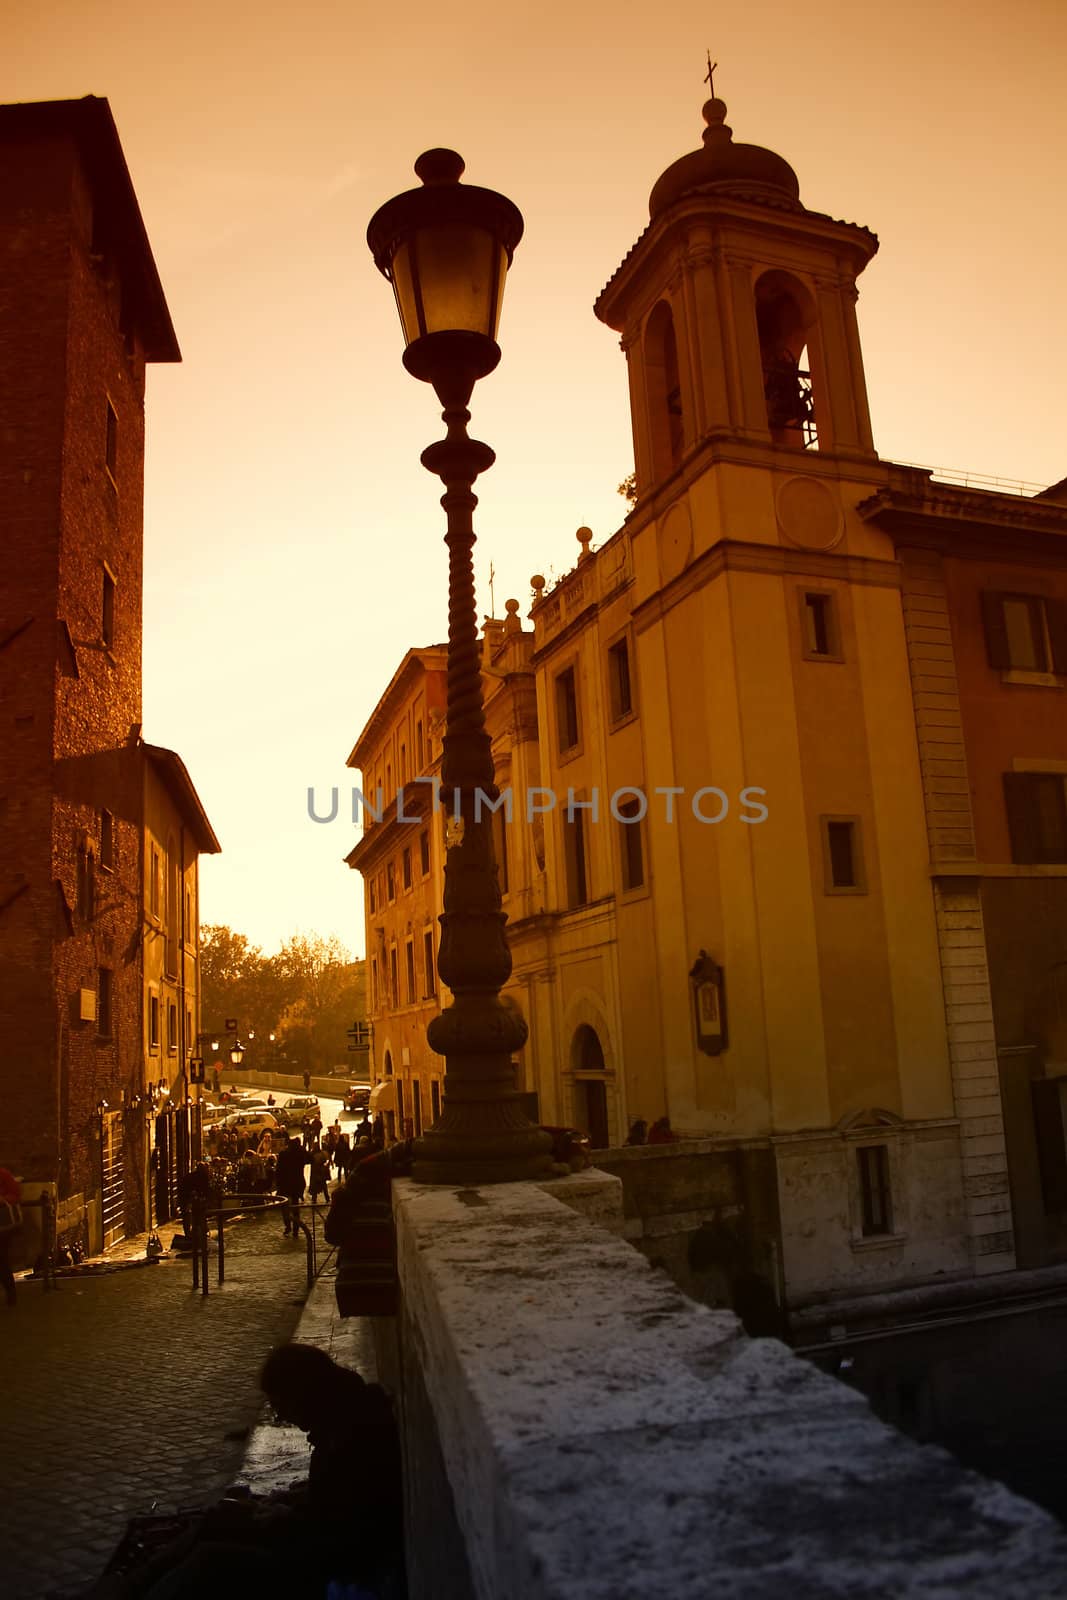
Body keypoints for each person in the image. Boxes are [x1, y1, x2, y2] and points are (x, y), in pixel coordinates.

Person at [0, 1165, 22, 1308]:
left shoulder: (3, 1174)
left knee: (1, 1261)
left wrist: (3, 1199)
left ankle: (11, 1294)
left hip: (2, 1226)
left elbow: (15, 1194)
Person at [274, 1136, 306, 1236]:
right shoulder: (300, 1154)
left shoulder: (283, 1154)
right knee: (295, 1208)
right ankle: (295, 1229)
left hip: (285, 1184)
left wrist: (278, 1183)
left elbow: (278, 1170)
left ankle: (288, 1226)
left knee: (285, 1207)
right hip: (296, 1184)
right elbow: (310, 1159)